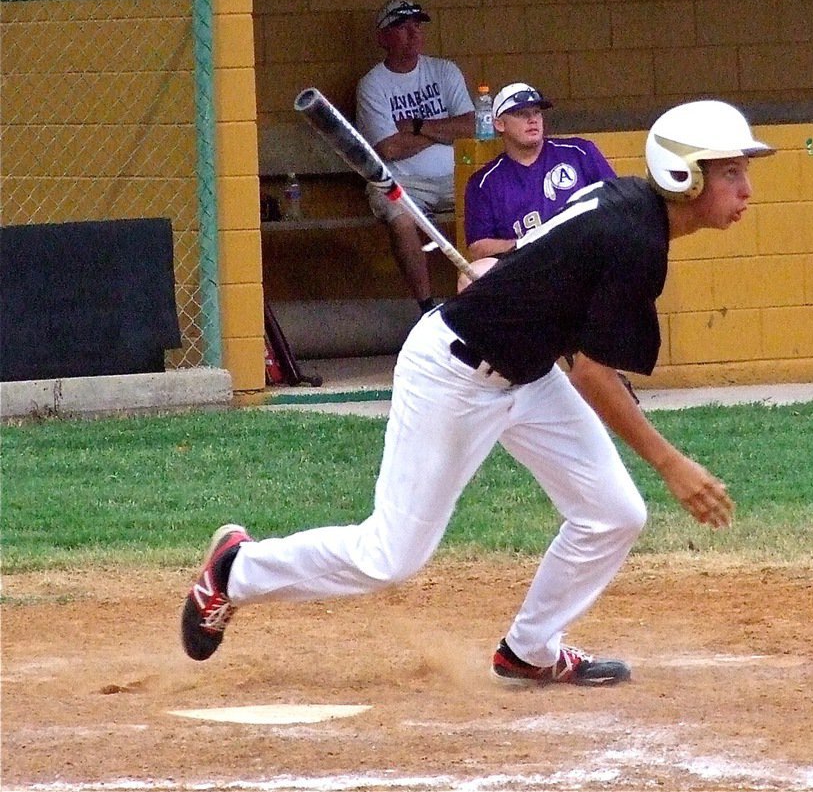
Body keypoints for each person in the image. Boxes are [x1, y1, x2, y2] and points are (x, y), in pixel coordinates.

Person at [181, 100, 774, 687]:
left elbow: (559, 276)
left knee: (612, 514)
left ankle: (530, 650)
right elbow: (593, 375)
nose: (745, 188)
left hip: (528, 371)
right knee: (391, 556)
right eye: (730, 173)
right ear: (685, 174)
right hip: (455, 372)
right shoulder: (635, 238)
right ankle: (236, 571)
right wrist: (671, 464)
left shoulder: (633, 212)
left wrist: (511, 283)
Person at [356, 0, 476, 312]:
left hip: (456, 176)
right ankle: (427, 309)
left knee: (495, 200)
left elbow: (471, 127)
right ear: (383, 38)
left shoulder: (444, 70)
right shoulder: (373, 84)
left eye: (417, 26)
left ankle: (489, 299)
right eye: (402, 27)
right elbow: (389, 148)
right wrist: (441, 131)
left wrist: (417, 126)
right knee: (400, 217)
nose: (413, 33)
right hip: (404, 181)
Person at [463, 82, 616, 261]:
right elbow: (477, 248)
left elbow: (617, 202)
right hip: (527, 266)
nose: (533, 119)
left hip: (587, 254)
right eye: (521, 114)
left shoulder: (579, 152)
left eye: (537, 112)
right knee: (473, 275)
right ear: (499, 124)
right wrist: (529, 243)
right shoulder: (484, 182)